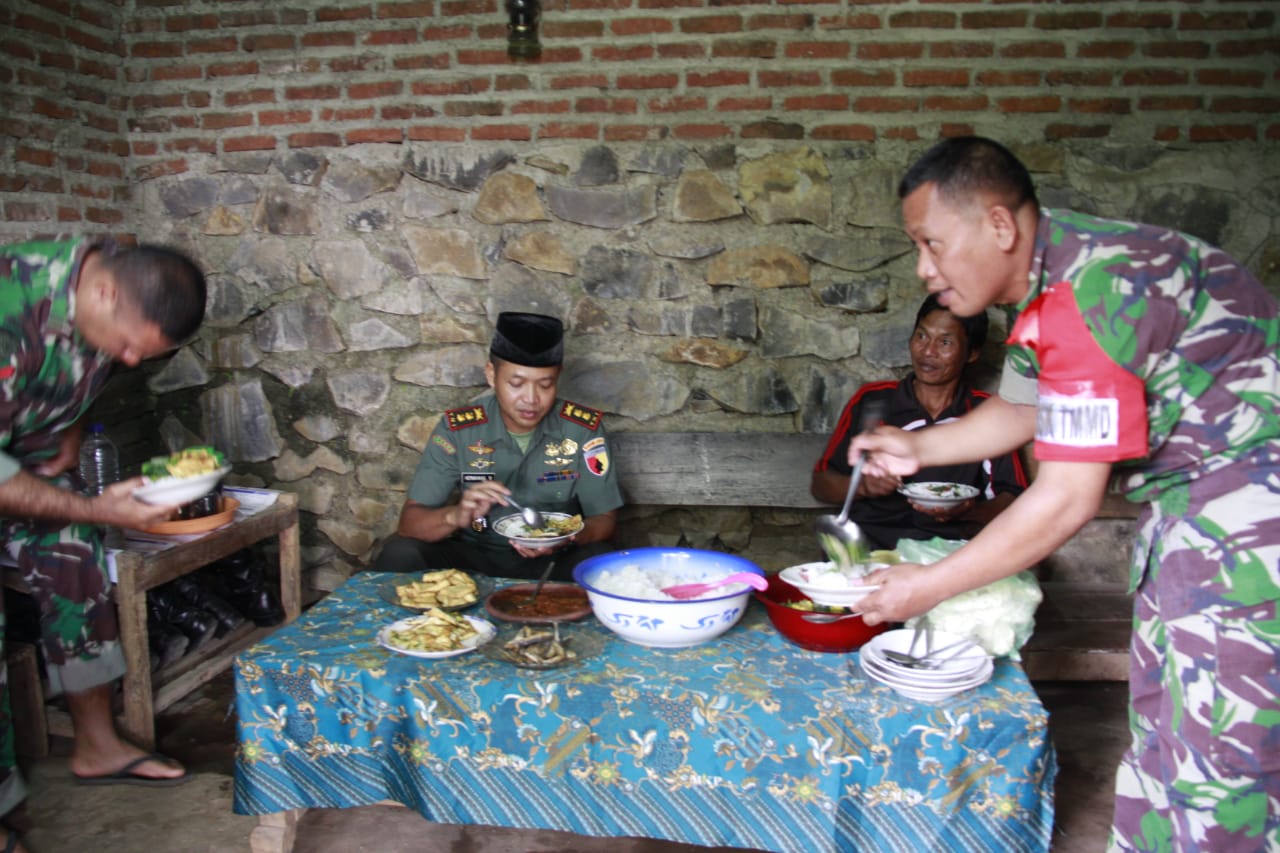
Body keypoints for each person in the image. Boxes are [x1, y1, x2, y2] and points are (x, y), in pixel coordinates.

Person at [850, 137, 1279, 852]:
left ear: (998, 227)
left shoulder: (1090, 291)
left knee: (1221, 774)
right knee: (1165, 740)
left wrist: (928, 586)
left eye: (931, 243)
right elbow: (1024, 410)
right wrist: (918, 445)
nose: (923, 267)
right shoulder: (1056, 282)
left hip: (1248, 523)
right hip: (1201, 516)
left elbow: (1065, 498)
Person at [0, 239, 207, 851]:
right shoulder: (11, 307)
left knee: (78, 550)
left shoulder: (107, 291)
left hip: (20, 473)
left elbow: (65, 380)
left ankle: (97, 744)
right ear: (104, 294)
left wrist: (62, 433)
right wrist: (93, 503)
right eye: (126, 347)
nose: (129, 361)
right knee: (83, 517)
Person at [374, 311, 622, 582]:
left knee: (600, 559)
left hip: (553, 562)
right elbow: (410, 524)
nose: (531, 399)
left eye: (545, 385)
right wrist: (455, 516)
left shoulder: (582, 429)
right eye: (516, 384)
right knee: (400, 553)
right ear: (491, 375)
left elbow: (604, 519)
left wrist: (566, 538)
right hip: (474, 558)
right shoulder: (459, 429)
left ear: (557, 379)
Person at [811, 293, 1027, 550]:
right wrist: (863, 486)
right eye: (921, 336)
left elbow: (1014, 497)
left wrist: (968, 512)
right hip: (873, 548)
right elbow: (821, 484)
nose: (928, 351)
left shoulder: (984, 412)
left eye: (945, 342)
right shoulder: (873, 400)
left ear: (972, 353)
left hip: (950, 553)